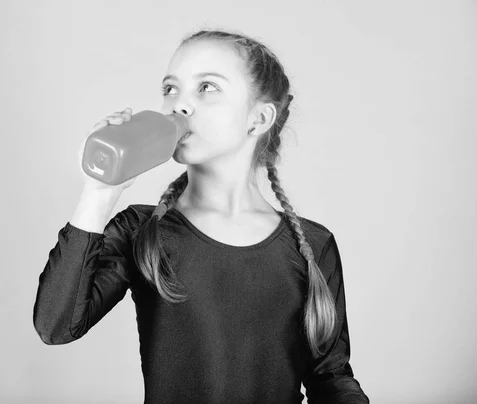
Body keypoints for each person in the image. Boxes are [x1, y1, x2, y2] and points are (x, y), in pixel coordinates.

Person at [33, 29, 370, 404]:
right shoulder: (142, 232)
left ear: (258, 119)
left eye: (207, 88)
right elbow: (56, 326)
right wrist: (99, 193)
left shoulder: (311, 245)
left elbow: (331, 378)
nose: (179, 104)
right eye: (170, 89)